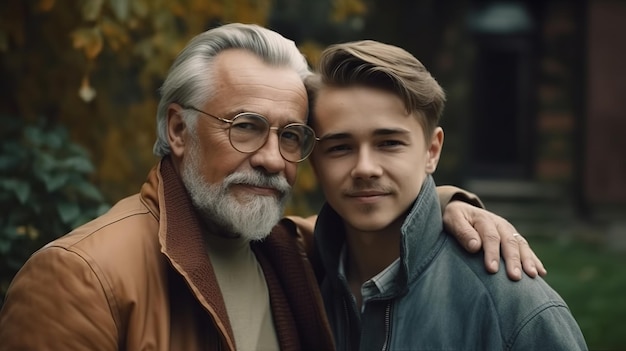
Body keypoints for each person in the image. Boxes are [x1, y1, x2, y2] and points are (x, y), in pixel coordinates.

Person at [0, 23, 543, 351]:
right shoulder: (83, 277)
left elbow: (373, 215)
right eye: (245, 126)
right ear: (177, 129)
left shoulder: (291, 251)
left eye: (291, 135)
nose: (269, 158)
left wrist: (448, 202)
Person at [306, 40, 587, 350]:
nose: (365, 168)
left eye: (389, 143)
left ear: (431, 151)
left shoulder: (514, 308)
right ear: (314, 161)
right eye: (339, 147)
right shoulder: (301, 284)